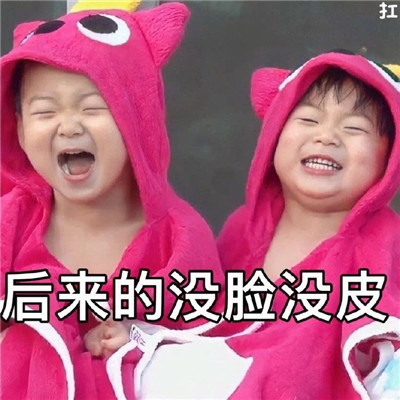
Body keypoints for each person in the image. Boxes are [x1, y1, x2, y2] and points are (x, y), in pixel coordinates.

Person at [82, 51, 400, 400]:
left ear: (390, 157)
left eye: (354, 128)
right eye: (308, 120)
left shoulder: (385, 245)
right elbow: (204, 321)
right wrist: (137, 334)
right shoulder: (244, 229)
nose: (326, 136)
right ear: (274, 134)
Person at [0, 1, 222, 399]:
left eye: (93, 107)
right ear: (18, 129)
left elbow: (213, 354)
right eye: (45, 112)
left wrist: (143, 336)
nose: (69, 126)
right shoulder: (9, 222)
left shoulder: (181, 239)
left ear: (139, 117)